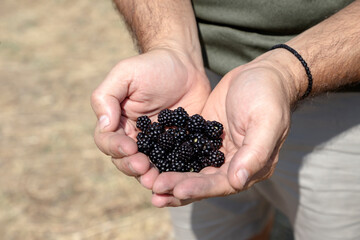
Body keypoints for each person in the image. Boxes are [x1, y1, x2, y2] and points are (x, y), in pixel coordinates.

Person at [91, 0, 360, 239]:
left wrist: (286, 73)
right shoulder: (186, 119)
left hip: (340, 92)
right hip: (194, 74)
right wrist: (170, 45)